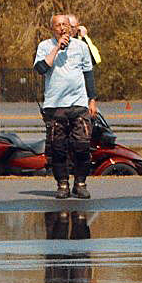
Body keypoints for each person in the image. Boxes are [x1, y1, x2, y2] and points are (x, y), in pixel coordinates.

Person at [35, 13, 97, 199]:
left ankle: (80, 183)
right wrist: (56, 49)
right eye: (58, 25)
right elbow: (40, 69)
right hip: (55, 106)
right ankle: (62, 184)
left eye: (65, 25)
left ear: (71, 27)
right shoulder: (45, 46)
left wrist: (92, 99)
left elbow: (88, 74)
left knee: (82, 145)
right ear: (52, 28)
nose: (62, 28)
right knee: (58, 148)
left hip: (78, 104)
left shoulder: (81, 47)